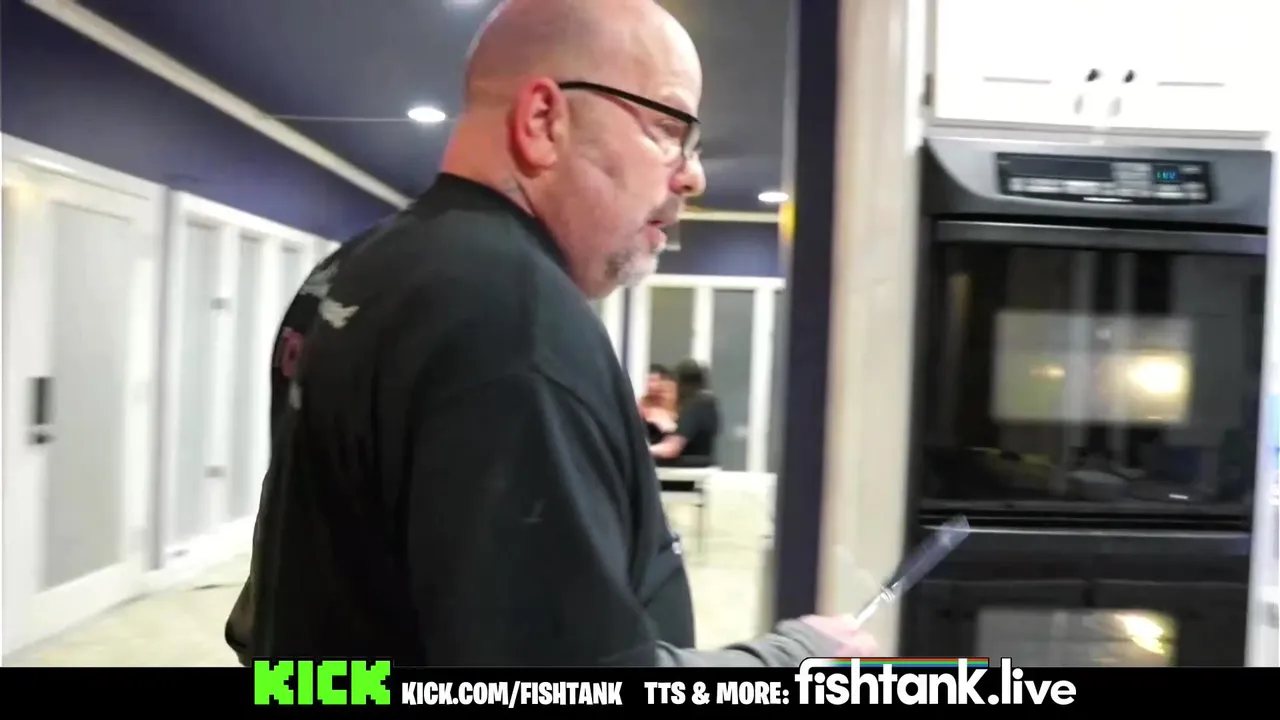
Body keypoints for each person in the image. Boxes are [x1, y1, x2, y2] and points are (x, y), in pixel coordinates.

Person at [225, 0, 874, 666]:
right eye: (668, 127)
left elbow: (285, 615)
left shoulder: (345, 273)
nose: (693, 174)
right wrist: (787, 662)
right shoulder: (515, 321)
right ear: (543, 121)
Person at [651, 359, 720, 467]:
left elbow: (672, 447)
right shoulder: (707, 404)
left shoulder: (697, 405)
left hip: (689, 471)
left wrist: (641, 450)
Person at [639, 363, 678, 443]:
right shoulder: (641, 405)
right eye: (648, 381)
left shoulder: (672, 407)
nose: (650, 385)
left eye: (653, 380)